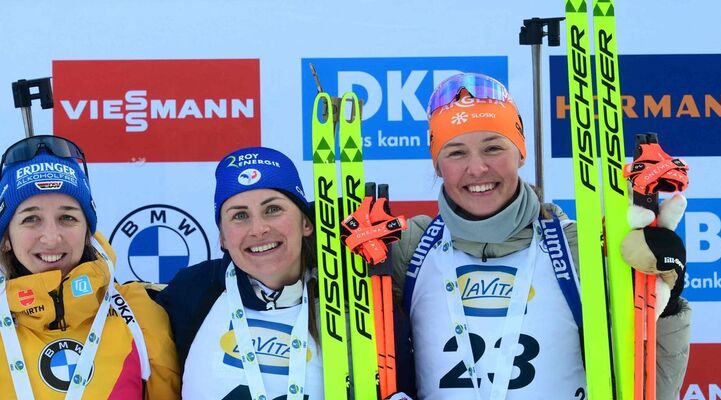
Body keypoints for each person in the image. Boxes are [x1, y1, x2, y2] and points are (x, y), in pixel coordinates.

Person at [378, 73, 692, 400]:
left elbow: (649, 387)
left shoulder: (577, 247)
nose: (477, 168)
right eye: (456, 152)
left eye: (493, 147)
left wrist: (666, 296)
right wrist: (321, 234)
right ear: (438, 165)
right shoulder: (407, 250)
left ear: (521, 154)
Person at [0, 135, 180, 399]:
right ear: (5, 238)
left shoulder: (139, 313)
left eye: (67, 217)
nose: (51, 237)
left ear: (87, 231)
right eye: (31, 219)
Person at [157, 147, 415, 399]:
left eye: (273, 210)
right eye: (239, 216)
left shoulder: (354, 293)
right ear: (223, 237)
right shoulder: (192, 292)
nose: (258, 229)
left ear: (306, 222)